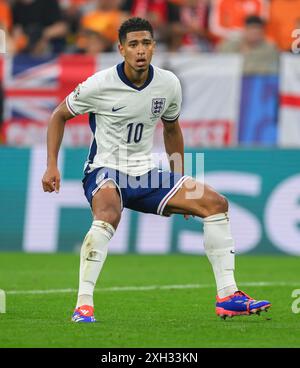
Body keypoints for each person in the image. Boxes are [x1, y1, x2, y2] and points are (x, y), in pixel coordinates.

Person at [42, 17, 271, 323]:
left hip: (146, 172)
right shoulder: (99, 84)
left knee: (216, 205)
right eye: (133, 44)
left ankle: (228, 296)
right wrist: (51, 165)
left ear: (153, 47)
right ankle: (83, 305)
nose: (141, 50)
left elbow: (172, 130)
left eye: (146, 43)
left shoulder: (168, 83)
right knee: (109, 212)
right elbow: (58, 115)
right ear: (121, 49)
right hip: (104, 169)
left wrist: (180, 179)